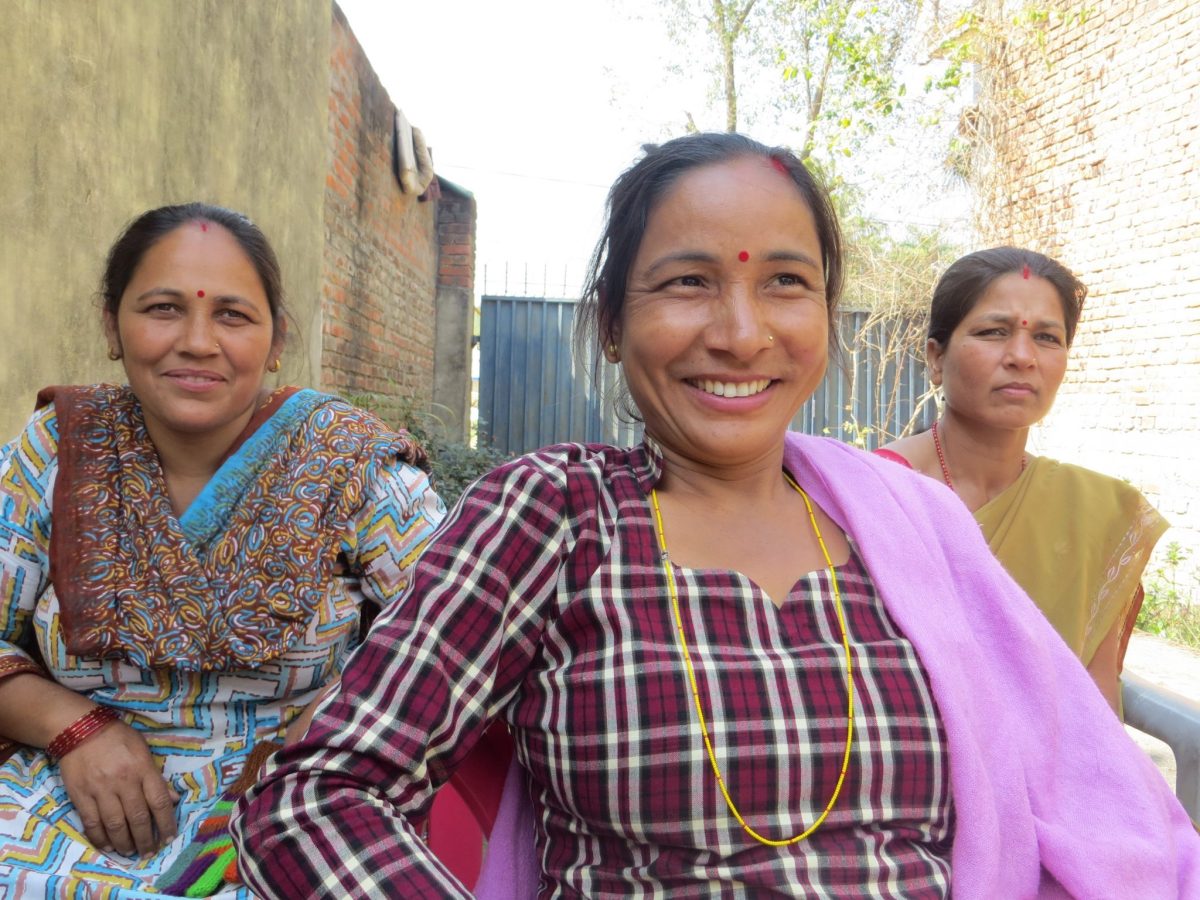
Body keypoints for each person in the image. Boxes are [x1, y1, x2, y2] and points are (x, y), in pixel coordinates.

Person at [231, 135, 1199, 898]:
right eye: (689, 281)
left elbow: (1090, 803)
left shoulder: (911, 527)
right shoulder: (556, 513)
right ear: (612, 324)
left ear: (826, 317)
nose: (741, 334)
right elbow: (312, 796)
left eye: (786, 282)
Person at [0, 203, 448, 898]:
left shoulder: (355, 468)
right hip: (61, 799)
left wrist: (315, 744)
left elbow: (451, 650)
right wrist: (74, 727)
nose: (197, 342)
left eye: (232, 316)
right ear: (112, 325)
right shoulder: (55, 453)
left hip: (305, 802)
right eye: (163, 308)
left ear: (276, 340)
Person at [876, 248, 1167, 714]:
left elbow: (1096, 696)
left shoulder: (1095, 510)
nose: (1022, 357)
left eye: (1047, 337)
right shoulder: (876, 492)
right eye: (994, 332)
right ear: (936, 357)